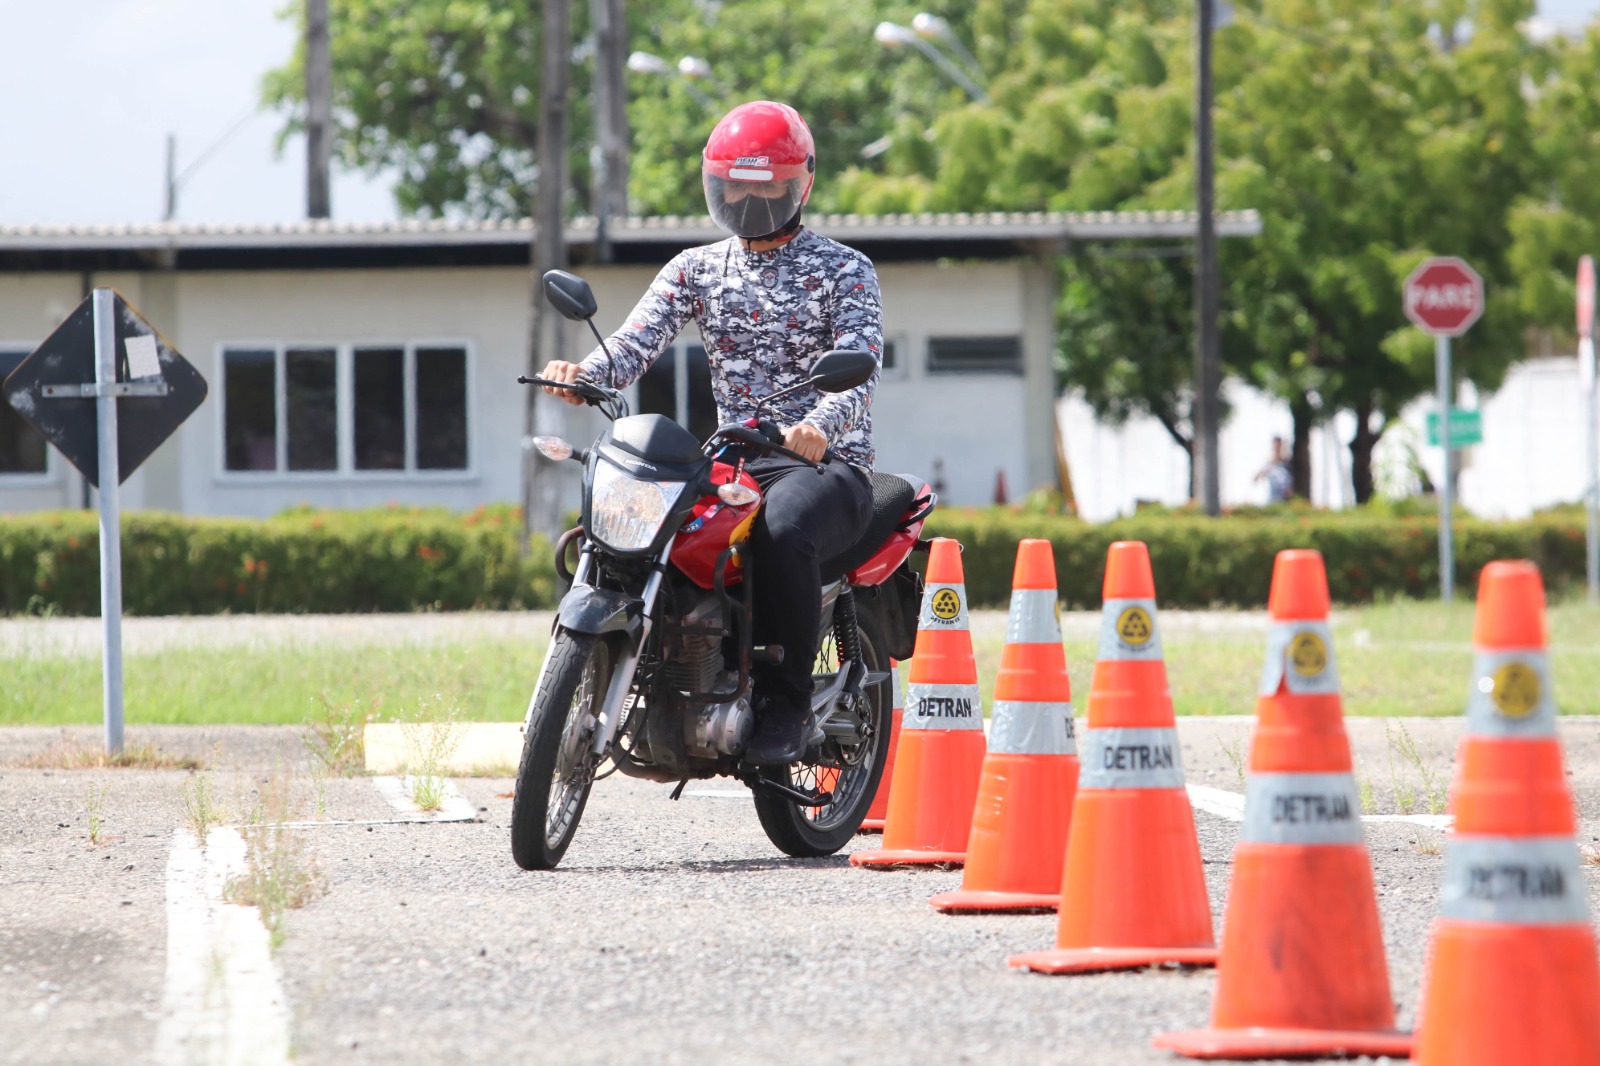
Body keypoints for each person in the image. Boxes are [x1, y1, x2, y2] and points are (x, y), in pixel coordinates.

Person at [539, 100, 882, 766]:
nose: (750, 199)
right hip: (731, 464)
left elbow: (862, 369)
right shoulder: (694, 269)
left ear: (800, 183)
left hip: (822, 466)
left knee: (781, 530)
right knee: (640, 528)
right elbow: (634, 345)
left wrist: (817, 425)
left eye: (767, 185)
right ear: (714, 184)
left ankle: (784, 704)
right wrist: (583, 374)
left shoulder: (845, 269)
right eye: (736, 184)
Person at [1256, 435, 1293, 503]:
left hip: (1285, 498)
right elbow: (1257, 476)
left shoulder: (1286, 463)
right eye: (1275, 445)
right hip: (1273, 497)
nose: (1276, 447)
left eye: (1278, 445)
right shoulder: (1269, 463)